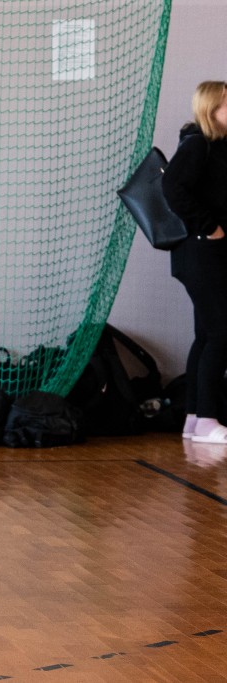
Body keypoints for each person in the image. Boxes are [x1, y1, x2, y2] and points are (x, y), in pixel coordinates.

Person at [163, 80, 227, 444]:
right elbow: (172, 188)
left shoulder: (215, 146)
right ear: (211, 109)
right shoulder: (197, 144)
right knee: (221, 333)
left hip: (207, 256)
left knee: (207, 334)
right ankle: (207, 419)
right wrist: (209, 228)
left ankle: (193, 418)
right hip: (200, 254)